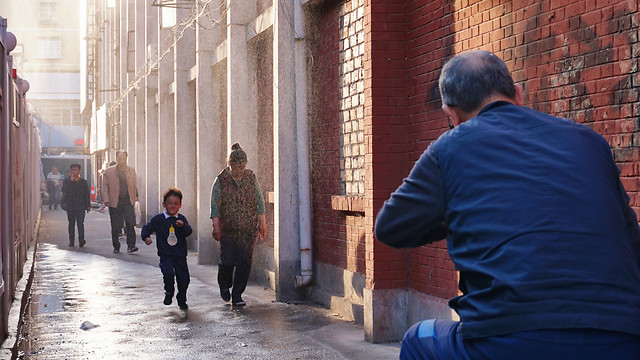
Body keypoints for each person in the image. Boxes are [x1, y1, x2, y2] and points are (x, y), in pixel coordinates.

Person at [374, 50, 640, 359]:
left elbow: (389, 227)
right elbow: (631, 242)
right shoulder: (590, 141)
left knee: (416, 340)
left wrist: (460, 213)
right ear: (518, 94)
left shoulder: (450, 147)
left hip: (509, 338)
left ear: (451, 114)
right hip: (623, 337)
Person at [210, 143, 267, 306]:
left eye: (242, 166)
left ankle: (237, 295)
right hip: (228, 228)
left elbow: (259, 200)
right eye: (236, 166)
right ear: (230, 164)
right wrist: (216, 225)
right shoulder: (221, 180)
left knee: (244, 262)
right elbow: (214, 204)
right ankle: (224, 284)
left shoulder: (251, 177)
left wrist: (262, 221)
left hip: (248, 228)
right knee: (227, 261)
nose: (239, 170)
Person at [141, 187, 193, 310]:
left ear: (180, 205)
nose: (173, 206)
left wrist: (183, 226)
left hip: (180, 255)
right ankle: (169, 292)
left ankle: (182, 298)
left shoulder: (181, 219)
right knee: (168, 273)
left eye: (176, 204)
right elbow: (146, 228)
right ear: (164, 204)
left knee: (184, 279)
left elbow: (188, 232)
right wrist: (146, 237)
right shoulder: (159, 219)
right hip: (166, 255)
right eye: (170, 203)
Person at [102, 150, 139, 254]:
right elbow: (105, 187)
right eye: (119, 158)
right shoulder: (109, 172)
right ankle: (116, 246)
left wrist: (136, 196)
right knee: (115, 225)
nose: (121, 160)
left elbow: (134, 184)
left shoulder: (131, 170)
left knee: (130, 223)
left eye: (123, 158)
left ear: (126, 158)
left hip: (128, 201)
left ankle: (131, 246)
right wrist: (106, 200)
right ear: (116, 159)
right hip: (115, 201)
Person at [61, 164, 90, 247]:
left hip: (80, 205)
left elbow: (86, 194)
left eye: (76, 170)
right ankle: (71, 241)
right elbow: (64, 190)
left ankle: (81, 240)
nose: (75, 172)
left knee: (80, 223)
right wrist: (71, 181)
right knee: (71, 223)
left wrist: (88, 205)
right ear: (71, 171)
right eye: (73, 170)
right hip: (70, 205)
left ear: (79, 171)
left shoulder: (83, 182)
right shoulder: (67, 181)